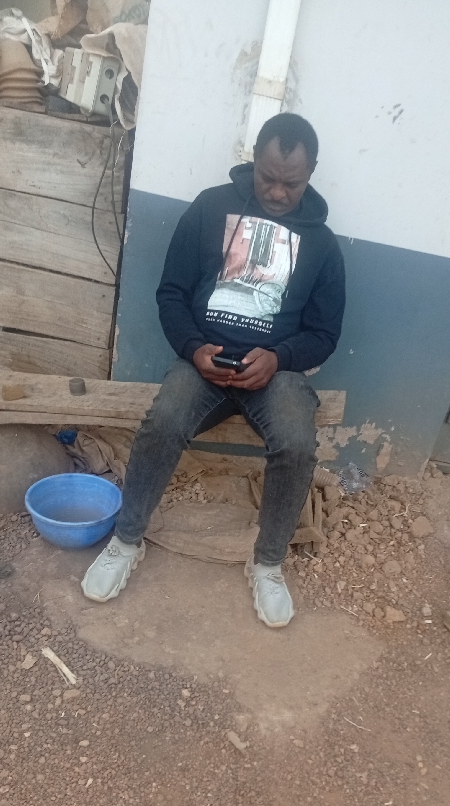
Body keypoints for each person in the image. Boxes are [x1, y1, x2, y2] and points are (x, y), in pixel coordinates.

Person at [82, 113, 346, 628]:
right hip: (204, 361)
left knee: (296, 444)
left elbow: (324, 333)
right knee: (163, 422)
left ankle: (267, 563)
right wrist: (193, 347)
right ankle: (126, 540)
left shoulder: (323, 245)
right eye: (268, 177)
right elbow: (172, 293)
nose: (276, 192)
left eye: (291, 183)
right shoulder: (210, 207)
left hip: (277, 375)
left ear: (311, 173)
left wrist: (279, 358)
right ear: (254, 160)